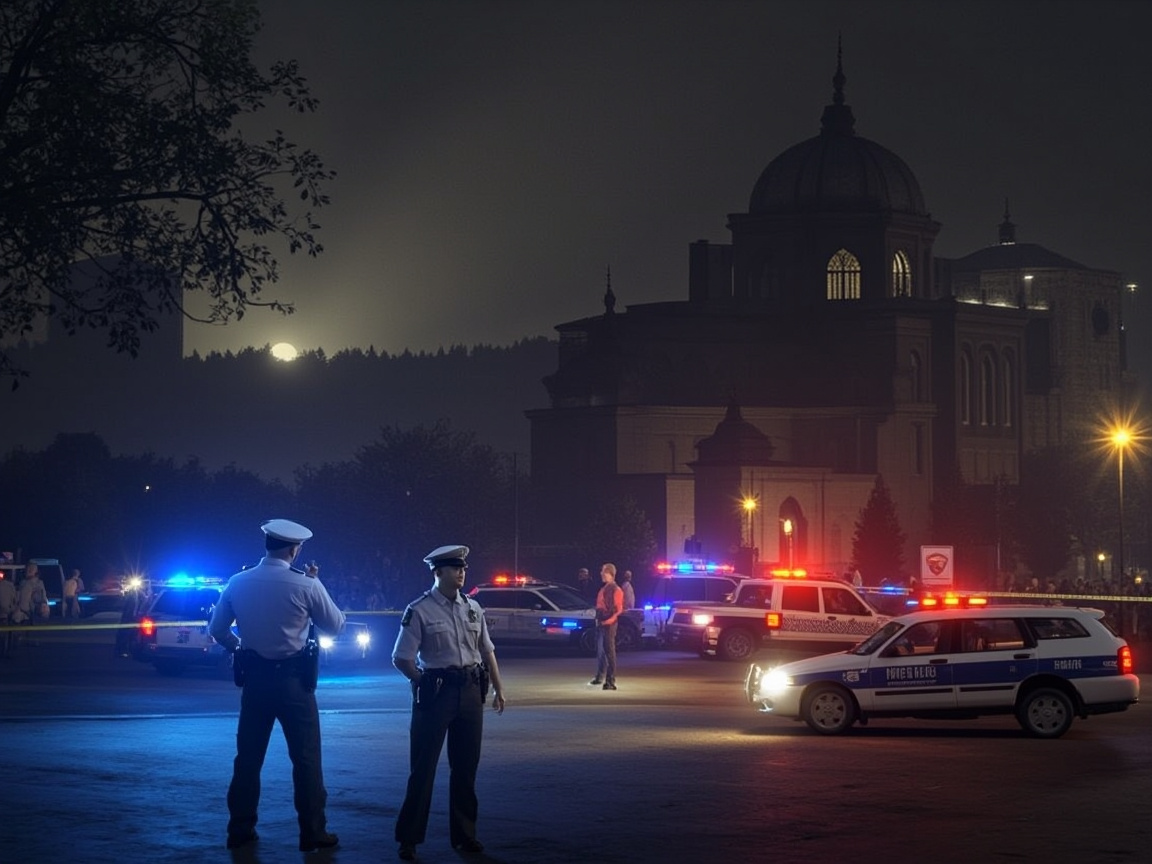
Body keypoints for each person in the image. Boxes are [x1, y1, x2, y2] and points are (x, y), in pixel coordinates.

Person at [207, 518, 346, 853]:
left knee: (248, 759)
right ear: (294, 550)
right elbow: (335, 625)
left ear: (267, 544)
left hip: (255, 681)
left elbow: (217, 630)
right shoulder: (305, 584)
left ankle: (240, 830)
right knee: (306, 759)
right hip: (294, 682)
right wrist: (315, 583)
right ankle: (312, 832)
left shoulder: (238, 582)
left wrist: (239, 648)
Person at [393, 544, 506, 862]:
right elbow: (401, 658)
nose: (462, 573)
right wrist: (422, 681)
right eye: (456, 568)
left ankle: (465, 835)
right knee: (423, 769)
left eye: (463, 568)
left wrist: (498, 688)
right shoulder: (420, 610)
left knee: (466, 768)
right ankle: (409, 839)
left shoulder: (473, 607)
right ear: (437, 572)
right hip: (436, 693)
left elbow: (486, 651)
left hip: (470, 690)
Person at [589, 562, 623, 690]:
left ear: (610, 573)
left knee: (609, 652)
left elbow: (617, 609)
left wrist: (607, 620)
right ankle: (600, 677)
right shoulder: (605, 588)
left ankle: (610, 681)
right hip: (602, 623)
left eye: (603, 571)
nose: (601, 574)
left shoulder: (615, 590)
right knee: (601, 652)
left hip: (608, 624)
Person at [0, 572, 16, 658]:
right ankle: (5, 653)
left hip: (4, 614)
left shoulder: (9, 586)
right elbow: (14, 600)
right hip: (5, 614)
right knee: (4, 636)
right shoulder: (10, 586)